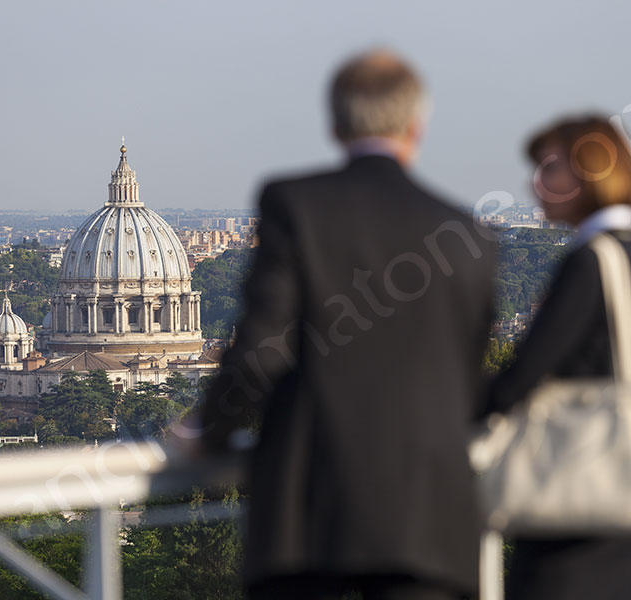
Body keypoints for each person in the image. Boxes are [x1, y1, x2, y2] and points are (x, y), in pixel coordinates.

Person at [200, 50, 497, 600]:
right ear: (417, 126)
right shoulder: (469, 234)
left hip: (313, 523)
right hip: (432, 526)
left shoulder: (293, 204)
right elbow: (469, 381)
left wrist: (206, 431)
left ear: (335, 125)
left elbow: (261, 353)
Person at [483, 115, 631, 600]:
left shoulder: (589, 262)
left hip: (575, 503)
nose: (534, 183)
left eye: (549, 168)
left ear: (589, 173)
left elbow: (518, 381)